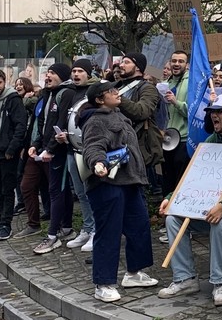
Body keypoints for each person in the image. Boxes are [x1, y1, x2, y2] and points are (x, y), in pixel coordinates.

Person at [158, 94, 222, 306]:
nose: (213, 116)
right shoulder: (210, 141)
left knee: (221, 223)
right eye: (211, 113)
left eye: (218, 112)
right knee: (173, 219)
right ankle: (185, 278)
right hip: (209, 205)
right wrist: (171, 198)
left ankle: (219, 282)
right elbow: (193, 177)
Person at [80, 81, 159, 302]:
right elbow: (93, 146)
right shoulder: (95, 121)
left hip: (130, 182)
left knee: (139, 226)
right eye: (112, 92)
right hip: (107, 186)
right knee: (109, 233)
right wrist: (97, 163)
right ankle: (103, 283)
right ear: (99, 99)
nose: (118, 94)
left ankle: (134, 273)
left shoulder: (120, 115)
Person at [27, 63, 76, 254]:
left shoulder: (66, 94)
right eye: (47, 73)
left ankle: (53, 235)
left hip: (60, 151)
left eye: (52, 73)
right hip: (47, 149)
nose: (47, 76)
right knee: (59, 190)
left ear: (62, 77)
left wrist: (51, 149)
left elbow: (61, 123)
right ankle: (66, 227)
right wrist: (36, 145)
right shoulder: (47, 94)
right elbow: (42, 123)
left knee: (56, 190)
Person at [0, 69, 29, 240]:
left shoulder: (14, 100)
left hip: (6, 154)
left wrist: (11, 149)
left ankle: (6, 225)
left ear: (4, 81)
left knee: (7, 190)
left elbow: (20, 127)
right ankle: (1, 222)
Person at [116, 52, 165, 195]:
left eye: (126, 62)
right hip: (118, 144)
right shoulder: (117, 86)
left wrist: (118, 99)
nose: (121, 65)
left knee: (136, 193)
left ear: (137, 67)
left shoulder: (147, 88)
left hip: (137, 145)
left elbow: (142, 112)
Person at [64, 59, 100, 252]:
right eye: (74, 71)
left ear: (88, 73)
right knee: (80, 192)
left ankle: (96, 230)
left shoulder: (94, 92)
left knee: (90, 191)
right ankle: (87, 228)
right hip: (72, 149)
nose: (76, 74)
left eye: (80, 71)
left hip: (89, 151)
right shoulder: (71, 92)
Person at [162, 50, 190, 196]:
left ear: (187, 65)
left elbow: (193, 112)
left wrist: (176, 102)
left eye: (181, 61)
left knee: (180, 181)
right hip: (166, 140)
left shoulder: (191, 83)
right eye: (174, 61)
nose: (176, 64)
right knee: (167, 179)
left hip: (183, 140)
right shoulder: (166, 83)